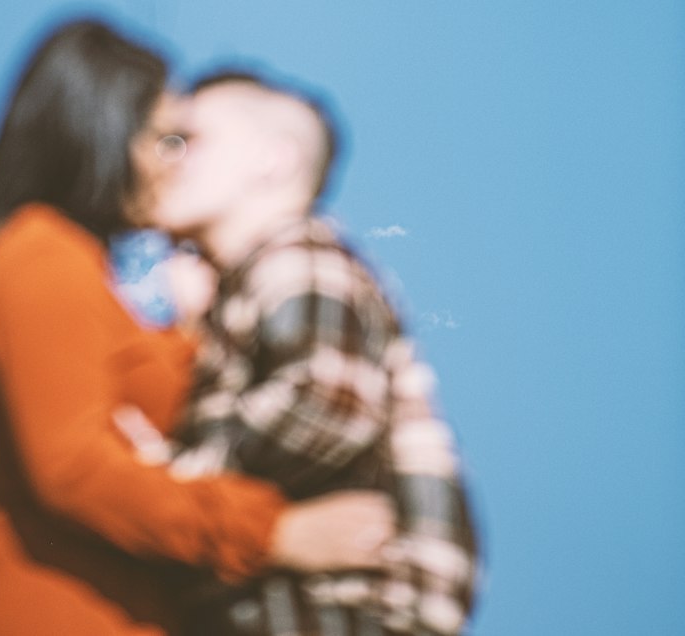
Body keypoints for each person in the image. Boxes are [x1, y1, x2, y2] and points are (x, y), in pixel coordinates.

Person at [0, 19, 397, 636]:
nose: (172, 165)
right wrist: (274, 533)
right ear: (105, 132)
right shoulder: (41, 256)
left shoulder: (88, 281)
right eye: (166, 140)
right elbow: (77, 471)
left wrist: (190, 330)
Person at [128, 70, 480, 636]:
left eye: (187, 140)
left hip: (345, 609)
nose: (165, 158)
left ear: (274, 160)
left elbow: (324, 405)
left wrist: (171, 483)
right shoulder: (246, 287)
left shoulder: (298, 254)